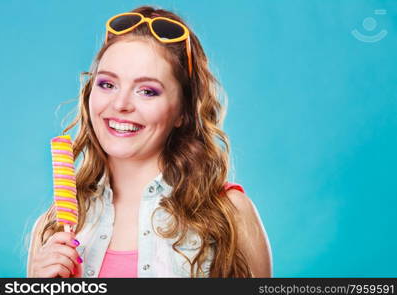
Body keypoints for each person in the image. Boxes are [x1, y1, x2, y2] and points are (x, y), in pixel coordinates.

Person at [27, 5, 272, 278]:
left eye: (147, 91)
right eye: (107, 84)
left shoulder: (230, 213)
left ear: (183, 110)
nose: (120, 104)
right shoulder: (52, 227)